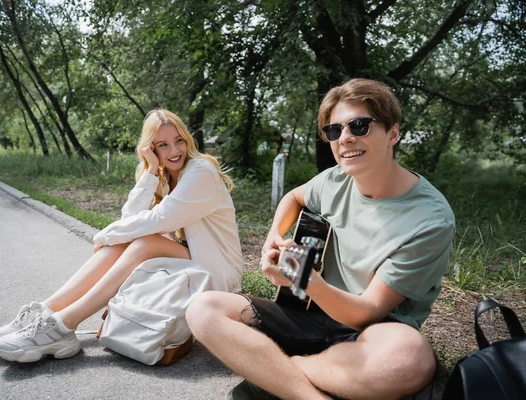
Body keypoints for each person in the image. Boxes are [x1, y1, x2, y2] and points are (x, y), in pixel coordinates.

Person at [186, 78, 455, 400]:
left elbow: (366, 312)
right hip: (306, 313)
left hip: (370, 334)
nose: (345, 138)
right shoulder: (334, 179)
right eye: (334, 131)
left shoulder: (430, 219)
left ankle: (278, 371)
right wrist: (274, 237)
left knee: (410, 359)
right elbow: (294, 198)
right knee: (203, 308)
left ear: (393, 133)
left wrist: (301, 278)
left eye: (359, 126)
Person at [0, 109, 244, 363]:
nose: (174, 151)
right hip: (191, 263)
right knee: (130, 241)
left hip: (216, 271)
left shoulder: (200, 172)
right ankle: (46, 313)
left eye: (178, 141)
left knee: (143, 242)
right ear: (151, 149)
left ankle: (63, 326)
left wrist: (105, 235)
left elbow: (160, 220)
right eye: (163, 145)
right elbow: (130, 217)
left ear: (187, 140)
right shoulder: (165, 176)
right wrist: (152, 171)